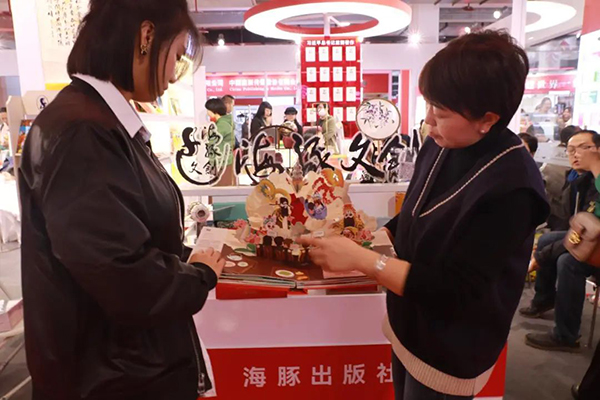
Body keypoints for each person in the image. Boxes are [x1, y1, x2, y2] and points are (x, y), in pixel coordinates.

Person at [298, 31, 548, 400]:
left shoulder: (514, 187)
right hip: (409, 325)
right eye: (429, 104)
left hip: (452, 347)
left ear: (487, 119)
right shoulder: (442, 142)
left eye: (441, 113)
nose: (428, 121)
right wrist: (364, 238)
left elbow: (456, 290)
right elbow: (416, 213)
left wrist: (363, 260)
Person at [18, 1, 225, 399]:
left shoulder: (100, 122)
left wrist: (187, 258)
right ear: (147, 37)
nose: (173, 74)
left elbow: (121, 238)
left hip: (121, 369)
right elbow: (121, 272)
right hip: (112, 378)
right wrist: (198, 275)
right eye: (176, 56)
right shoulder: (84, 132)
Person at [521, 130, 600, 352]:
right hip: (591, 240)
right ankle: (545, 298)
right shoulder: (583, 179)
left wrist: (539, 258)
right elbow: (574, 222)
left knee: (568, 262)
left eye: (582, 148)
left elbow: (587, 231)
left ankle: (566, 336)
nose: (574, 154)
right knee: (547, 240)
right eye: (570, 149)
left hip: (595, 244)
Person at [205, 98, 234, 185]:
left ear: (214, 110)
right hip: (224, 161)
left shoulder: (221, 125)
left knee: (220, 188)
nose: (207, 112)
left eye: (208, 110)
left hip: (221, 162)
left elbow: (212, 141)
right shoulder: (223, 123)